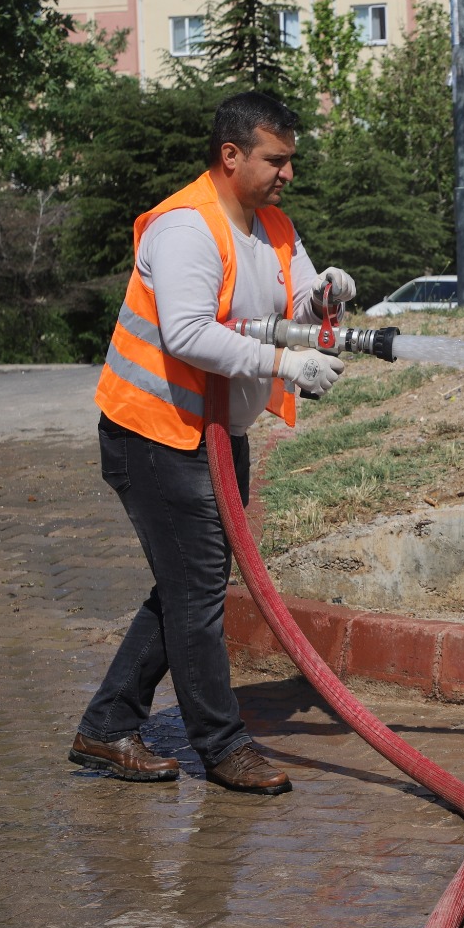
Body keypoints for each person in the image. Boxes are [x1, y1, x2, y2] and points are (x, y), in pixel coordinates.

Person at [68, 91, 353, 795]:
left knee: (189, 588)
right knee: (196, 591)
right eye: (275, 159)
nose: (288, 172)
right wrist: (288, 365)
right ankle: (222, 748)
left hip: (216, 435)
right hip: (153, 433)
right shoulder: (186, 228)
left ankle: (107, 727)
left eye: (291, 160)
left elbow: (288, 304)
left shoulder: (272, 227)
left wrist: (324, 297)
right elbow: (187, 332)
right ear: (231, 156)